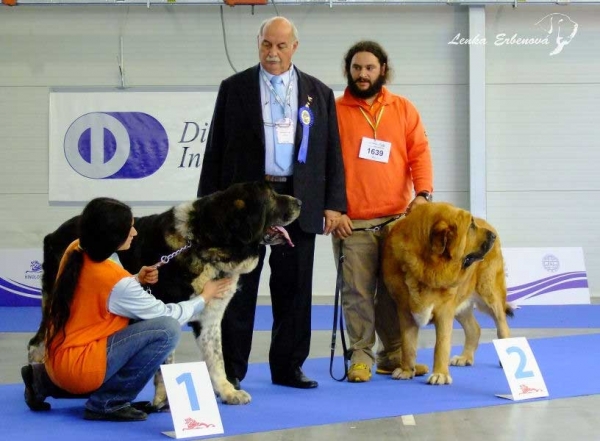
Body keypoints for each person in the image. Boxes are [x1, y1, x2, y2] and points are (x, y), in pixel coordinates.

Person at [198, 16, 346, 390]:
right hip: (245, 208)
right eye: (267, 44)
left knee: (294, 289)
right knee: (237, 289)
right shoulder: (234, 88)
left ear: (294, 47)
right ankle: (231, 370)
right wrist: (207, 207)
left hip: (297, 203)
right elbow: (214, 148)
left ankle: (288, 367)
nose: (273, 52)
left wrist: (333, 204)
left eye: (281, 46)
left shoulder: (318, 92)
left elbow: (331, 154)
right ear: (258, 43)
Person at [21, 197, 233, 421]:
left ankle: (42, 380)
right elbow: (167, 315)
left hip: (57, 361)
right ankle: (109, 402)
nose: (135, 232)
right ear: (113, 235)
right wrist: (204, 297)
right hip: (81, 369)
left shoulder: (76, 249)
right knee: (166, 329)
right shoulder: (116, 281)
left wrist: (136, 279)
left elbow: (99, 292)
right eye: (129, 228)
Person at [332, 41, 434, 383]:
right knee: (358, 293)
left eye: (370, 68)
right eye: (357, 68)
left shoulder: (403, 108)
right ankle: (360, 356)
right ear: (348, 69)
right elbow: (322, 165)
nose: (363, 74)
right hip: (353, 224)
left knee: (394, 293)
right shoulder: (334, 111)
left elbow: (419, 153)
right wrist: (332, 210)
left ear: (383, 70)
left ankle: (394, 355)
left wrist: (422, 194)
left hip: (397, 223)